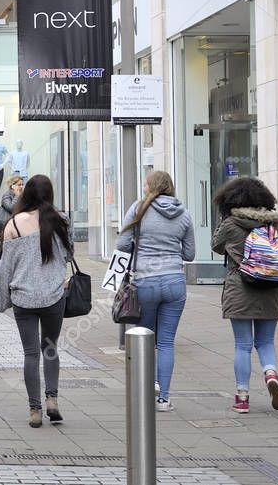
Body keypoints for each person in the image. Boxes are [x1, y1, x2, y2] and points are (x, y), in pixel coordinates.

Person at [0, 174, 73, 428]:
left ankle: (35, 410)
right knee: (50, 349)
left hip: (23, 298)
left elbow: (5, 268)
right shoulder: (61, 221)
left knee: (31, 353)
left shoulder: (13, 225)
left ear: (27, 195)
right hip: (54, 296)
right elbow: (68, 256)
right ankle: (53, 400)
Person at [115, 171, 195, 412]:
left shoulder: (139, 208)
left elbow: (121, 244)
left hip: (145, 282)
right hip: (174, 282)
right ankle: (164, 398)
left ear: (151, 187)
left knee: (144, 340)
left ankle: (147, 390)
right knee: (166, 342)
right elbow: (189, 254)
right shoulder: (184, 214)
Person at [211, 177, 278, 414]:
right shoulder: (276, 225)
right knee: (266, 342)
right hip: (271, 289)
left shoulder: (230, 224)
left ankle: (242, 398)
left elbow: (215, 247)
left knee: (242, 345)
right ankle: (270, 374)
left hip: (240, 289)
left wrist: (223, 217)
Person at [0, 175, 24, 269]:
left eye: (22, 184)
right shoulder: (6, 196)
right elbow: (11, 208)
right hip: (6, 229)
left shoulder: (22, 196)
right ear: (12, 186)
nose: (21, 187)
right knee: (3, 252)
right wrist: (17, 196)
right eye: (19, 185)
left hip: (18, 228)